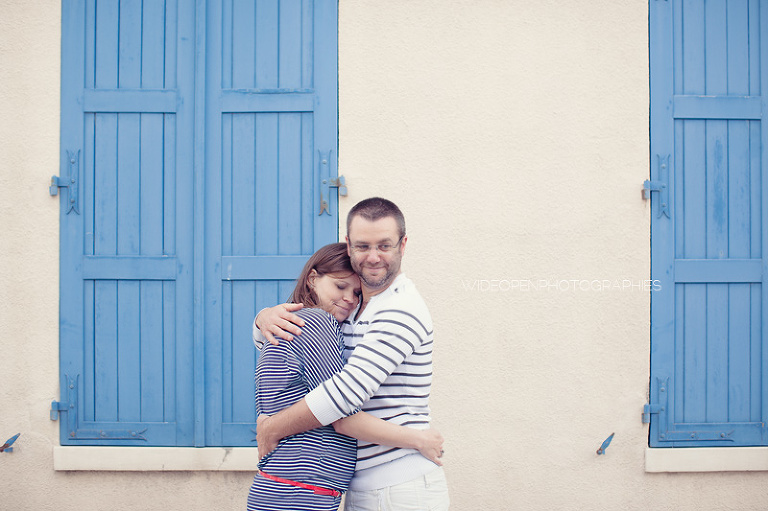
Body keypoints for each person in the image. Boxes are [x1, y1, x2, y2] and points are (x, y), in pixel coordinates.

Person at [254, 198, 450, 511]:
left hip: (396, 488)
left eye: (384, 245)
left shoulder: (400, 310)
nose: (373, 257)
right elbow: (298, 349)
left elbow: (341, 401)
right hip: (358, 486)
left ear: (403, 245)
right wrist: (263, 319)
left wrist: (272, 428)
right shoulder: (352, 310)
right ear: (349, 246)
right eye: (363, 245)